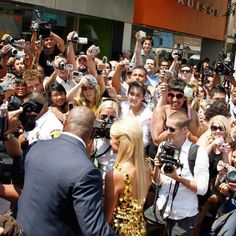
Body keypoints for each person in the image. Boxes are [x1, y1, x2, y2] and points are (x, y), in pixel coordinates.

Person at [17, 106, 115, 236]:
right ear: (92, 133)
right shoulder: (86, 172)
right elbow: (95, 231)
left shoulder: (35, 147)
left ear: (64, 123)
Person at [153, 111, 209, 236]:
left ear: (184, 130)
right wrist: (157, 168)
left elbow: (202, 189)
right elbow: (156, 182)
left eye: (172, 129)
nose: (167, 132)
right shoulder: (163, 146)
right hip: (160, 209)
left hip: (183, 215)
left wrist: (177, 178)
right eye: (166, 128)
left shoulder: (198, 153)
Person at [104, 117, 151, 235]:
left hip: (119, 231)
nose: (110, 141)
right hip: (139, 228)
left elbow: (107, 218)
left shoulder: (115, 175)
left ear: (121, 142)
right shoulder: (147, 166)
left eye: (111, 138)